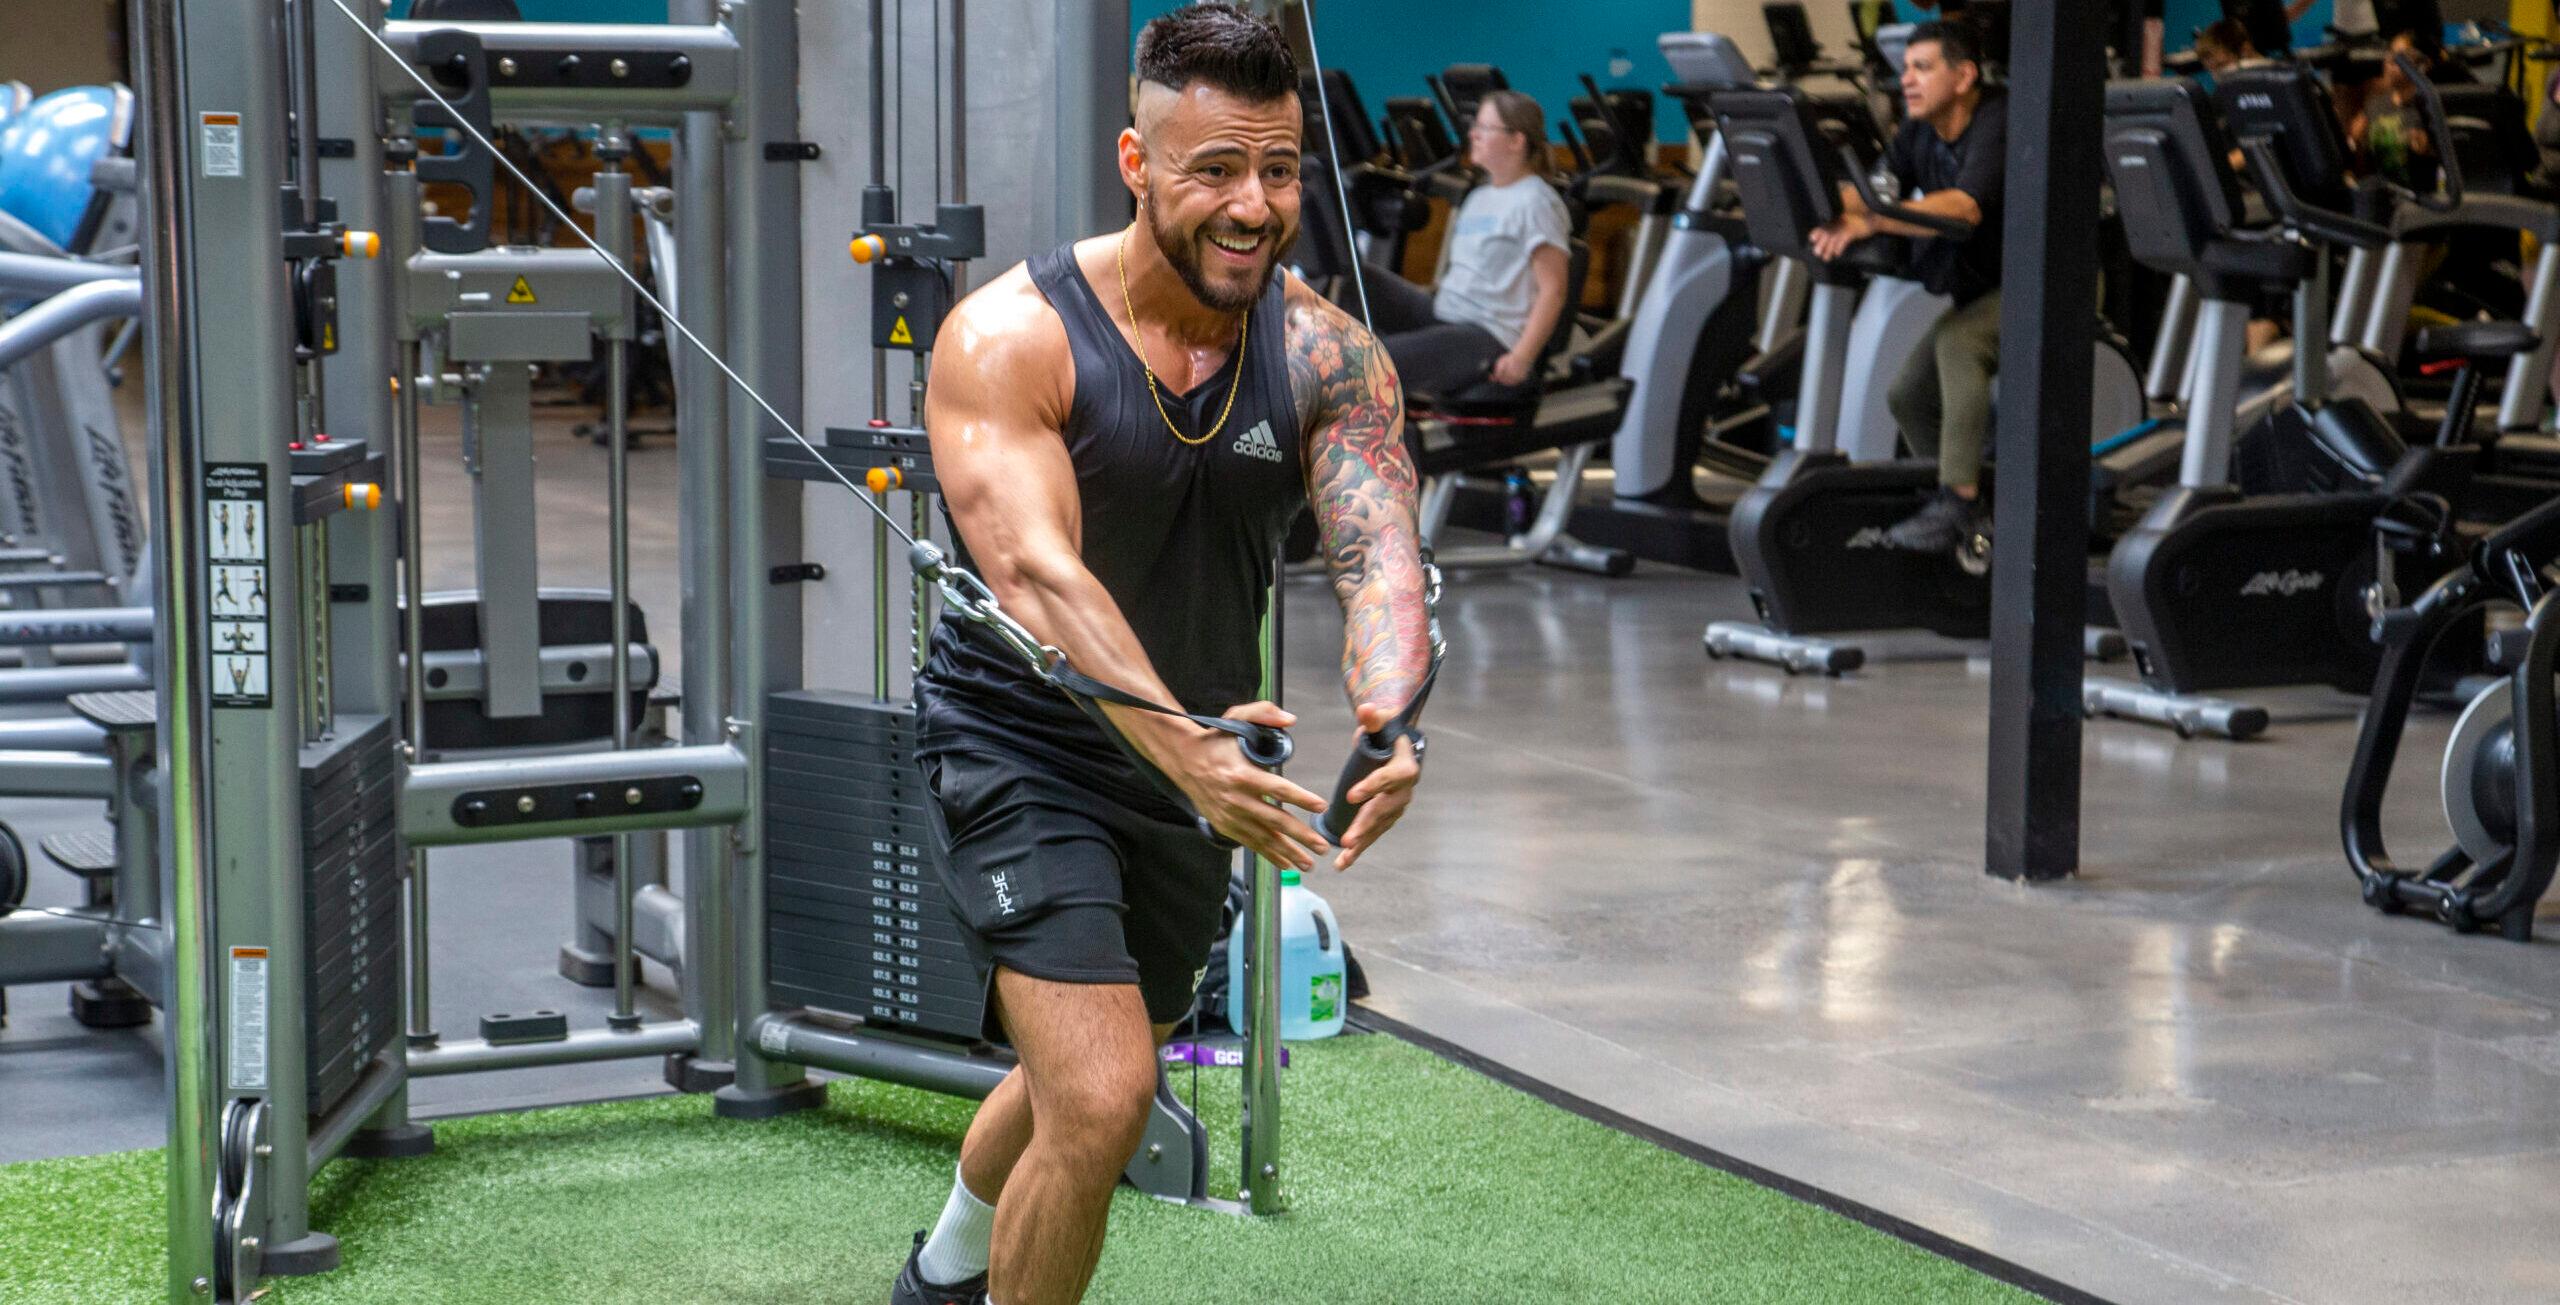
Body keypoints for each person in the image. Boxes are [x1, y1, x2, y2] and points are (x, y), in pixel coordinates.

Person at [886, 7, 1433, 1305]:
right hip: (1021, 742)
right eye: (1216, 170)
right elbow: (1037, 574)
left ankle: (940, 1274)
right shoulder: (1012, 337)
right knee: (1105, 1095)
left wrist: (1394, 716)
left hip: (1197, 768)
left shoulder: (1325, 354)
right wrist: (1186, 748)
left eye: (1280, 171)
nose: (1254, 205)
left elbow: (1379, 551)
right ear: (1137, 164)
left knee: (1090, 1065)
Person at [1809, 21, 2006, 554]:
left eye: (1922, 68)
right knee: (1909, 396)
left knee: (1959, 344)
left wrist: (1874, 220)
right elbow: (1875, 191)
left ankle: (1959, 502)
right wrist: (1821, 205)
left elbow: (1964, 207)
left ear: (1963, 76)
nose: (1907, 81)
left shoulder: (1998, 120)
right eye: (1905, 69)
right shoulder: (1919, 130)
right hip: (1982, 290)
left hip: (2043, 285)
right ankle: (1960, 499)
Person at [1359, 89, 1571, 399]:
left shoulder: (1537, 201)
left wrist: (1522, 358)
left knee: (1364, 364)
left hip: (1488, 335)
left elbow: (1554, 290)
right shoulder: (1479, 196)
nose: (1473, 134)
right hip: (1446, 314)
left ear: (1516, 140)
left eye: (1485, 127)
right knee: (1354, 276)